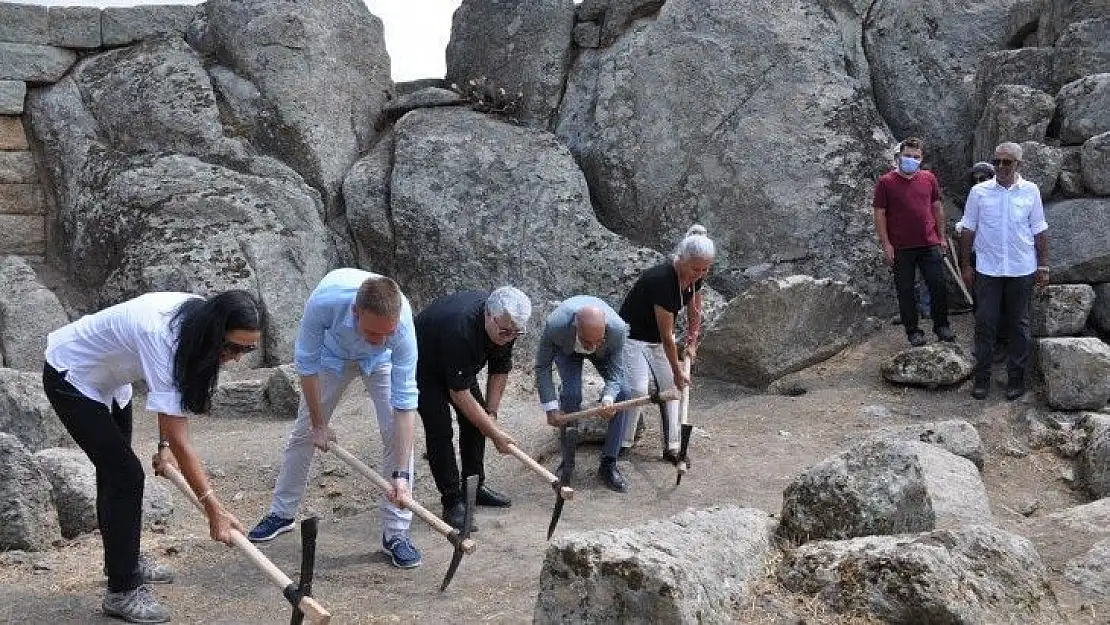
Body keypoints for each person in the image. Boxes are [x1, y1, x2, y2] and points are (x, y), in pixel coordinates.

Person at [42, 290, 261, 624]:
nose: (237, 357)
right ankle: (122, 590)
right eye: (233, 348)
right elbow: (181, 437)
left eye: (248, 349)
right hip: (72, 376)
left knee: (116, 476)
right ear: (215, 333)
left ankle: (122, 559)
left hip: (113, 383)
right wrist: (215, 510)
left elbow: (169, 396)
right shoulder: (162, 333)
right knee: (126, 475)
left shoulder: (195, 322)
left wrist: (163, 449)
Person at [246, 269, 422, 569]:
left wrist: (401, 476)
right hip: (332, 356)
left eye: (386, 333)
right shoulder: (323, 303)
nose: (379, 339)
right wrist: (319, 425)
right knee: (303, 434)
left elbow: (405, 404)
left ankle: (396, 534)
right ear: (355, 312)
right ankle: (282, 513)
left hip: (380, 365)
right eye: (372, 333)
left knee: (396, 435)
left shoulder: (402, 329)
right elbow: (307, 365)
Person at [415, 287, 531, 530]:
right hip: (424, 366)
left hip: (459, 365)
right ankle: (452, 501)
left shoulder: (506, 327)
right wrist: (495, 434)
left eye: (515, 333)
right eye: (505, 331)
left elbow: (500, 368)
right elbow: (459, 394)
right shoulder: (461, 328)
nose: (509, 337)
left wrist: (491, 414)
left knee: (478, 422)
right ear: (489, 315)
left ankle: (474, 487)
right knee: (440, 430)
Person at [960, 142, 1049, 401]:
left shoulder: (1031, 191)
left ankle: (1016, 379)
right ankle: (982, 379)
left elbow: (1039, 229)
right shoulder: (979, 192)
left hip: (1022, 269)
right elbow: (968, 229)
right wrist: (966, 265)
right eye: (997, 161)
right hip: (988, 268)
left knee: (1019, 325)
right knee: (985, 323)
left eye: (1006, 162)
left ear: (1018, 164)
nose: (1000, 167)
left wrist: (1043, 266)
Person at [619, 225, 713, 463]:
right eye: (695, 268)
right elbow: (668, 336)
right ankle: (623, 442)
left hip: (657, 341)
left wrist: (692, 342)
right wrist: (677, 369)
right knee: (638, 389)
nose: (699, 273)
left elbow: (695, 313)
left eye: (704, 269)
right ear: (681, 260)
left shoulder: (694, 279)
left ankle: (673, 446)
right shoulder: (662, 281)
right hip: (633, 337)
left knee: (672, 389)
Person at [536, 296, 630, 492]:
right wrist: (551, 408)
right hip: (568, 350)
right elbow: (542, 367)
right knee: (571, 395)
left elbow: (616, 374)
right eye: (587, 342)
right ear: (575, 328)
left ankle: (609, 463)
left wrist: (608, 399)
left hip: (602, 348)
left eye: (597, 341)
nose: (591, 348)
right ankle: (567, 463)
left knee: (623, 394)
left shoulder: (617, 330)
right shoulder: (556, 326)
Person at [873, 137, 955, 346]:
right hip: (901, 247)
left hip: (929, 243)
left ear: (921, 158)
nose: (911, 159)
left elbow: (937, 207)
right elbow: (880, 214)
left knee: (938, 286)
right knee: (906, 290)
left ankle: (942, 326)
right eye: (907, 156)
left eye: (915, 157)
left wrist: (941, 237)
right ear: (899, 157)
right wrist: (886, 245)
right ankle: (913, 331)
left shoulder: (929, 178)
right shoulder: (886, 182)